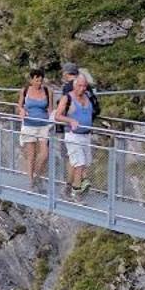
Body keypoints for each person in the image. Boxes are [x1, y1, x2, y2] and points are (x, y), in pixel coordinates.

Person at [55, 70, 98, 198]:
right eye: (79, 86)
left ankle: (70, 188)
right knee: (79, 164)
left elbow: (94, 110)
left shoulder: (89, 97)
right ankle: (76, 192)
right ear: (74, 85)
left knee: (85, 164)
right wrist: (71, 120)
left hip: (86, 135)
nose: (82, 88)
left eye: (84, 86)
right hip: (73, 135)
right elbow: (57, 116)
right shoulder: (67, 98)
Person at [18, 67, 55, 190]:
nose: (39, 83)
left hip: (43, 125)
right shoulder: (25, 91)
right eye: (37, 80)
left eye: (41, 80)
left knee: (44, 154)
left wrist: (53, 120)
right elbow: (19, 106)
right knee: (31, 155)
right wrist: (22, 111)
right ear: (31, 80)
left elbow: (50, 109)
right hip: (29, 125)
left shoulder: (47, 91)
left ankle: (37, 176)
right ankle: (31, 181)